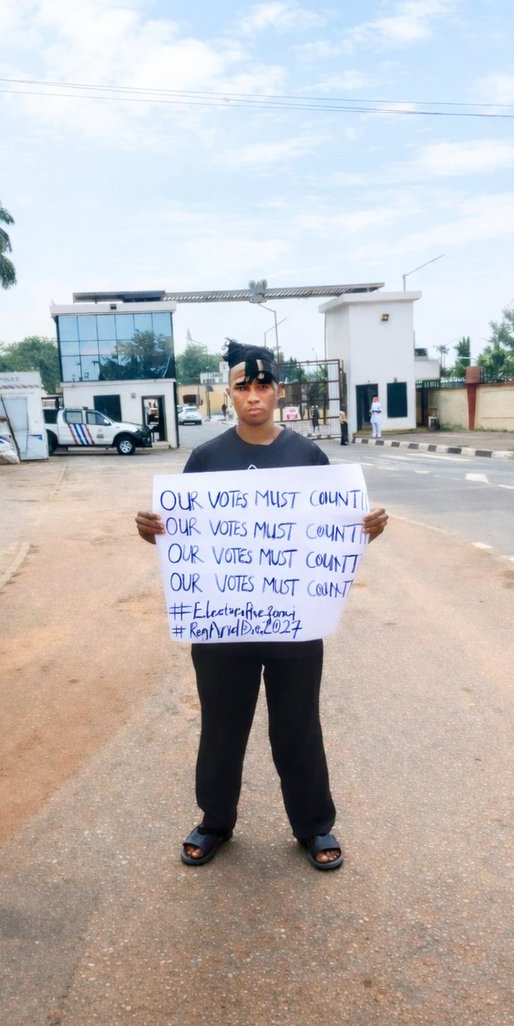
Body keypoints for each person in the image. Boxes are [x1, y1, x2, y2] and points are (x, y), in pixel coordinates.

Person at [136, 340, 388, 872]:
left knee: (298, 728)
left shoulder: (307, 456)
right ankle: (214, 823)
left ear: (276, 391)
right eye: (241, 387)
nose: (253, 396)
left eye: (262, 386)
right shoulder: (206, 459)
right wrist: (152, 531)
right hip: (222, 629)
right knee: (222, 729)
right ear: (228, 394)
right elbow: (183, 537)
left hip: (294, 628)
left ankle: (314, 825)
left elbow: (330, 535)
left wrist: (365, 529)